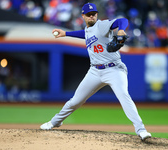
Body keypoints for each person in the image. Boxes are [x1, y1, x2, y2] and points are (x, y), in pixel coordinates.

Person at [40, 3, 151, 141]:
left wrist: (121, 30)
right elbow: (86, 34)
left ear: (97, 15)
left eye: (94, 14)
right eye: (88, 14)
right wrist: (66, 34)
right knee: (75, 101)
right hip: (94, 71)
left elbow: (123, 21)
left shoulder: (102, 25)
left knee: (124, 96)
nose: (91, 16)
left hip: (114, 69)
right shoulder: (88, 30)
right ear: (83, 16)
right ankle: (55, 122)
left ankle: (141, 130)